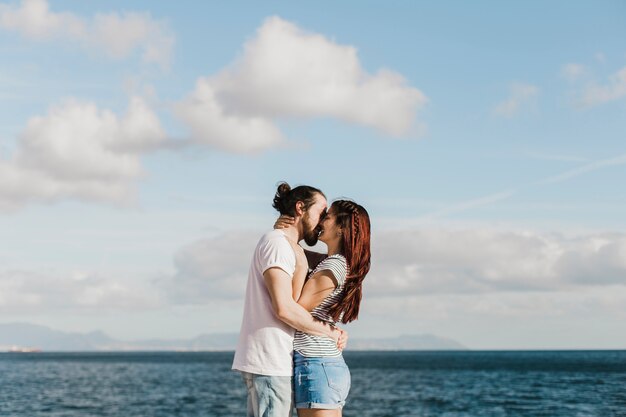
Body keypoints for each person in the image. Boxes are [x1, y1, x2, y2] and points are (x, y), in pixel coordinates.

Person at [232, 183, 347, 417]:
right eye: (320, 212)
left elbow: (327, 262)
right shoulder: (277, 244)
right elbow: (284, 309)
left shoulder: (286, 246)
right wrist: (328, 332)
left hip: (276, 360)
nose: (323, 220)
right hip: (270, 359)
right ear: (300, 208)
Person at [276, 199, 371, 416]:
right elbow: (299, 253)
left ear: (341, 227)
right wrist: (286, 234)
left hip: (316, 363)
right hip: (322, 364)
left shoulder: (334, 265)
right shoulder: (334, 262)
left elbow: (296, 308)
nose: (320, 222)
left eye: (327, 217)